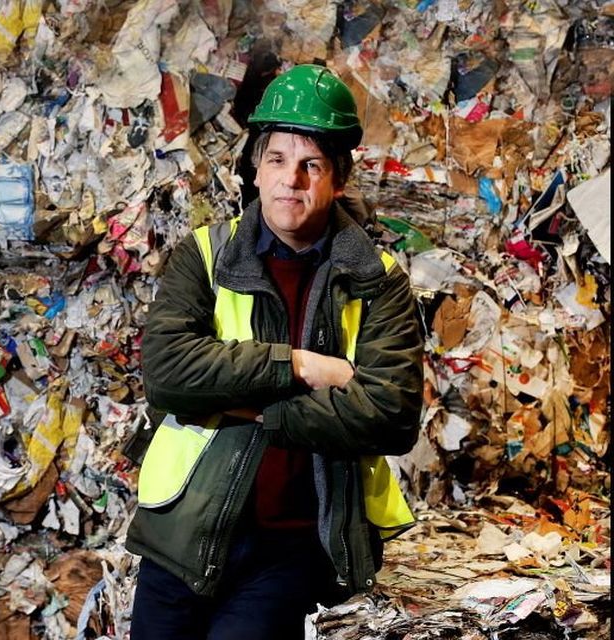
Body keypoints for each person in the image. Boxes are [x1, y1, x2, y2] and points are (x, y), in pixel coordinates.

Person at [125, 64, 425, 639]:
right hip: (181, 535)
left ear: (337, 179)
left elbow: (391, 414)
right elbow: (167, 374)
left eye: (312, 165)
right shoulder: (205, 256)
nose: (293, 180)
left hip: (298, 540)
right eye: (278, 160)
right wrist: (301, 365)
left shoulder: (378, 278)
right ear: (256, 172)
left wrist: (258, 408)